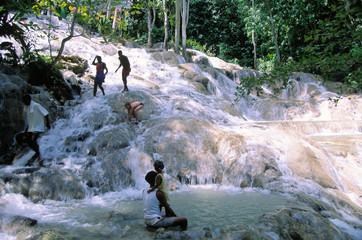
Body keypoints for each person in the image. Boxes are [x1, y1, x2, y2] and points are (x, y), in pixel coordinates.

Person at [21, 94, 50, 166]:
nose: (24, 102)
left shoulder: (36, 105)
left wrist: (47, 124)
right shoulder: (26, 107)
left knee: (33, 141)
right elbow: (30, 118)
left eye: (25, 101)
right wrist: (26, 129)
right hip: (31, 127)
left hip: (38, 126)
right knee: (28, 140)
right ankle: (37, 153)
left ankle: (39, 156)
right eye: (23, 101)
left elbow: (46, 114)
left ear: (29, 100)